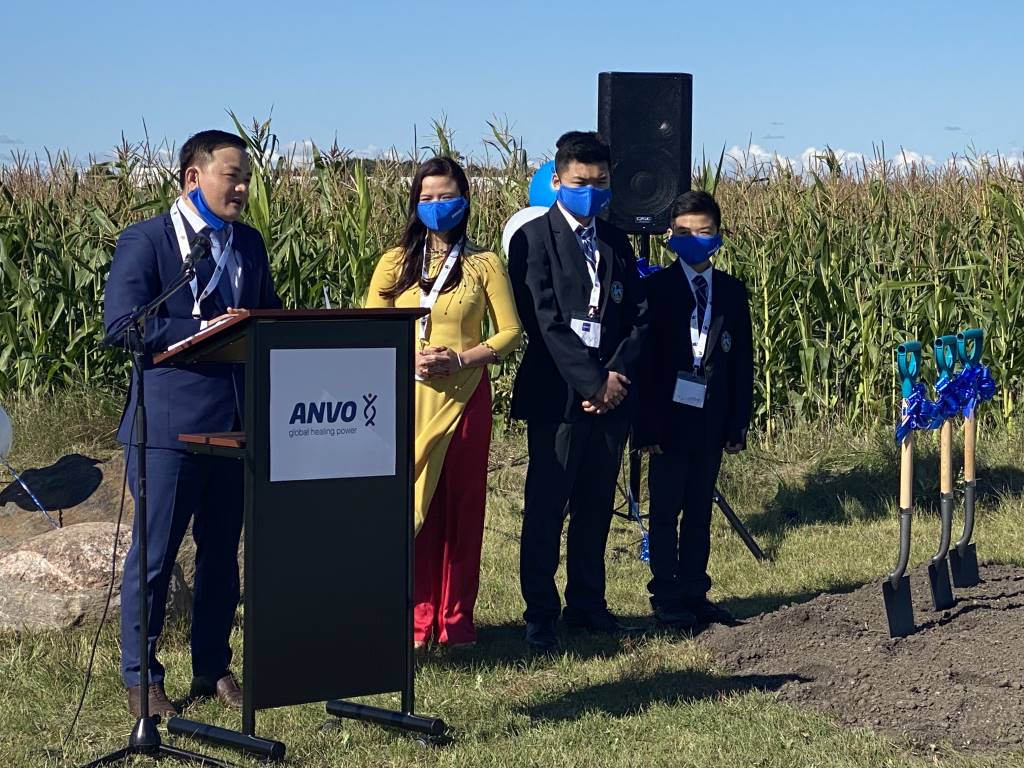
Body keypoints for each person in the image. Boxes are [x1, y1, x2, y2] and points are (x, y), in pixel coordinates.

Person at [104, 129, 282, 719]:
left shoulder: (248, 244)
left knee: (220, 554)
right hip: (168, 426)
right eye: (232, 176)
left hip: (233, 425)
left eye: (246, 178)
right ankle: (142, 677)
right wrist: (200, 331)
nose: (242, 188)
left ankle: (212, 665)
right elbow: (124, 327)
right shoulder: (147, 241)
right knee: (154, 558)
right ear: (192, 177)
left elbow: (269, 318)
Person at [365, 156, 522, 650]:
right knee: (415, 506)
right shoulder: (394, 263)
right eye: (427, 197)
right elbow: (371, 327)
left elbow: (511, 332)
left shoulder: (484, 264)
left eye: (447, 196)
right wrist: (409, 356)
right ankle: (416, 618)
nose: (437, 206)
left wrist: (460, 358)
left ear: (466, 201)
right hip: (406, 400)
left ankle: (456, 622)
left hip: (465, 398)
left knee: (462, 508)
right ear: (415, 203)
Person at [508, 131, 648, 651]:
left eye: (600, 182)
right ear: (558, 180)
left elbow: (638, 317)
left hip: (611, 395)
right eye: (579, 182)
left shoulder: (616, 241)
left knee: (595, 503)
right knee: (548, 505)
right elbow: (542, 320)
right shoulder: (533, 239)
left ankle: (588, 603)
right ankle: (540, 612)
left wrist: (611, 380)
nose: (590, 191)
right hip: (558, 396)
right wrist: (590, 382)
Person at [634, 190, 753, 628]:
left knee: (700, 509)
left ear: (719, 236)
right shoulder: (655, 290)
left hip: (711, 417)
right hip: (667, 420)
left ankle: (695, 589)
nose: (695, 239)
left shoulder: (732, 293)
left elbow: (743, 361)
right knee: (665, 509)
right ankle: (665, 592)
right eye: (685, 232)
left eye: (704, 232)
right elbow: (644, 364)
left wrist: (738, 421)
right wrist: (645, 428)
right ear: (670, 235)